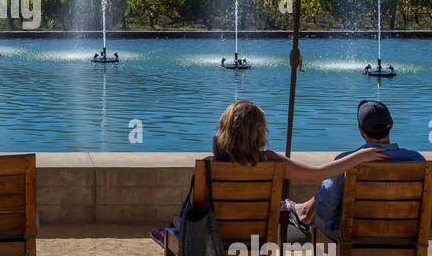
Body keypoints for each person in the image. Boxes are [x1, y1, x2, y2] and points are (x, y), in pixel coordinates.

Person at [150, 100, 385, 246]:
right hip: (257, 238)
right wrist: (359, 156)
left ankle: (172, 233)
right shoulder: (271, 161)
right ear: (259, 132)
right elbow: (319, 174)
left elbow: (197, 210)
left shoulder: (208, 166)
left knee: (188, 210)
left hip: (214, 238)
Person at [288, 99, 426, 235]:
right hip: (404, 234)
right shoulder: (418, 161)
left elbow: (325, 211)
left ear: (361, 131)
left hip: (355, 236)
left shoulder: (345, 162)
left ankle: (304, 213)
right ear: (391, 125)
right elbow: (429, 209)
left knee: (324, 218)